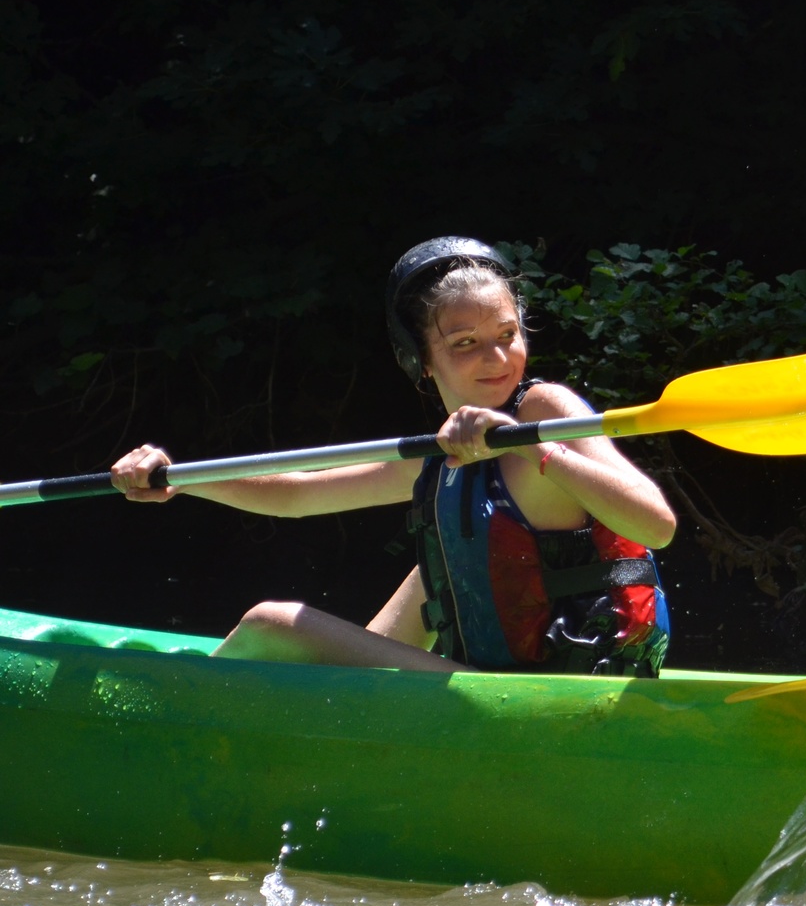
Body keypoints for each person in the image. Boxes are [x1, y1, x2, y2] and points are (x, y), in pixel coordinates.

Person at [110, 237, 679, 675]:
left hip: (569, 688)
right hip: (493, 688)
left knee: (271, 622)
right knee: (446, 552)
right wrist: (179, 479)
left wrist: (532, 447)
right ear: (423, 362)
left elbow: (656, 525)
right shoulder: (442, 456)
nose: (498, 357)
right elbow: (299, 493)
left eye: (508, 334)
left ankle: (171, 731)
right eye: (466, 343)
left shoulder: (545, 410)